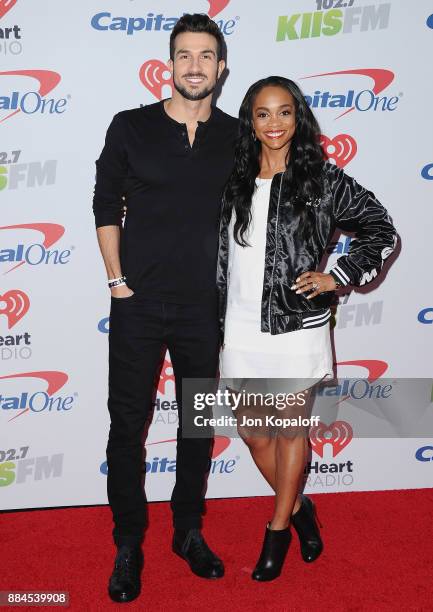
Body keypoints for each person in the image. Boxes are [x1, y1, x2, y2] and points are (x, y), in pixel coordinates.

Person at [217, 76, 397, 581]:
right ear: (250, 123)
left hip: (297, 326)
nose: (274, 123)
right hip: (241, 327)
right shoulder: (233, 180)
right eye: (262, 114)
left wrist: (336, 275)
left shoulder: (323, 180)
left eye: (284, 112)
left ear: (298, 118)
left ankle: (277, 528)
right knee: (254, 434)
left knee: (291, 431)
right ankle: (300, 509)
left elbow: (382, 229)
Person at [92, 14, 238, 603]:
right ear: (169, 64)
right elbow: (105, 202)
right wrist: (117, 281)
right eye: (184, 55)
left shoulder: (237, 136)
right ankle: (129, 541)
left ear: (220, 68)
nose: (195, 66)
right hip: (137, 303)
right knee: (127, 424)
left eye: (206, 55)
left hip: (204, 306)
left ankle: (187, 531)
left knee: (196, 425)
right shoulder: (130, 127)